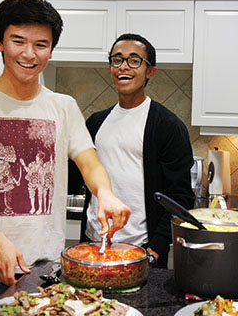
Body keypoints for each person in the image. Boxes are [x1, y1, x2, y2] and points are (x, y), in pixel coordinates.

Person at [0, 0, 131, 315]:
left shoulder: (63, 107)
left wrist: (104, 193)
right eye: (18, 41)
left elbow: (89, 162)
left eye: (41, 44)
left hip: (43, 266)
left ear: (51, 49)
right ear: (1, 44)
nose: (29, 53)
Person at [69, 33, 194, 268]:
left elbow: (181, 198)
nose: (123, 66)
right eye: (117, 60)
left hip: (141, 250)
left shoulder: (168, 126)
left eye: (134, 60)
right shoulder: (96, 122)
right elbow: (76, 178)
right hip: (94, 244)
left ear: (150, 71)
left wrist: (155, 249)